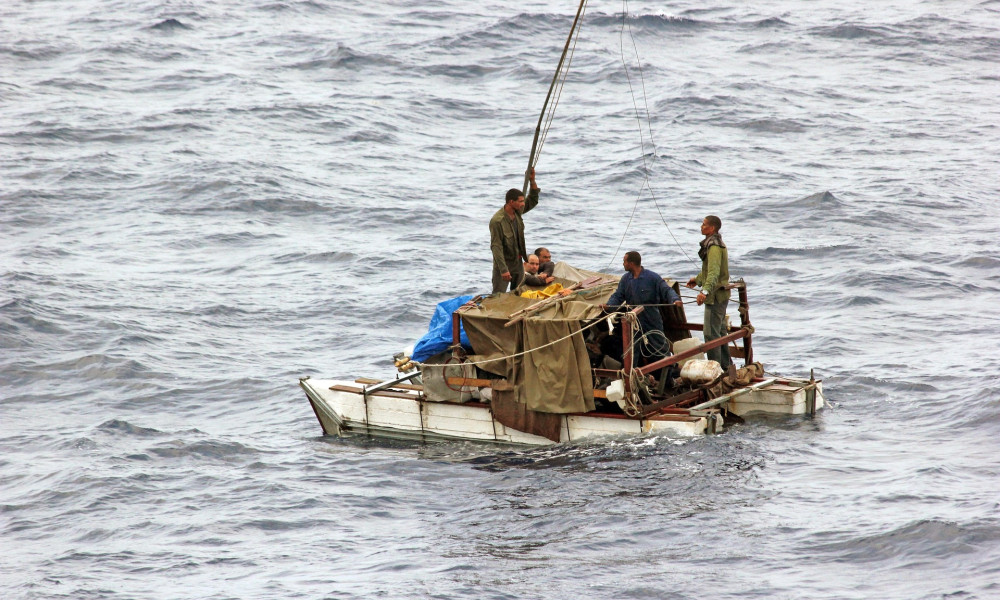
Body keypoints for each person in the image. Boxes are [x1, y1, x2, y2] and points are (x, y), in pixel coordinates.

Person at [604, 251, 682, 366]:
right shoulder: (625, 279)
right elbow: (618, 296)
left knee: (660, 347)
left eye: (624, 261)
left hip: (651, 319)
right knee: (631, 350)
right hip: (633, 320)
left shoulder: (652, 277)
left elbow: (666, 290)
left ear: (631, 263)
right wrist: (609, 306)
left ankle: (670, 372)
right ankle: (631, 373)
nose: (623, 264)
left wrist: (675, 299)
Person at [686, 215, 732, 370]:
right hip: (720, 295)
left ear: (712, 228)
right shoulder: (716, 244)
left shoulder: (714, 247)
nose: (701, 226)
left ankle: (714, 369)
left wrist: (704, 292)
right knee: (720, 332)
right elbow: (707, 272)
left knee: (710, 334)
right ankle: (726, 367)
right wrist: (697, 279)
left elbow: (713, 273)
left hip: (715, 297)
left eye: (704, 224)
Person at [489, 168, 540, 293]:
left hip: (517, 262)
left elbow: (533, 200)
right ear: (511, 202)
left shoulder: (517, 212)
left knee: (518, 292)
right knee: (498, 295)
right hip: (504, 264)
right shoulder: (497, 221)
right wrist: (503, 270)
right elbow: (496, 247)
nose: (523, 204)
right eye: (520, 201)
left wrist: (532, 181)